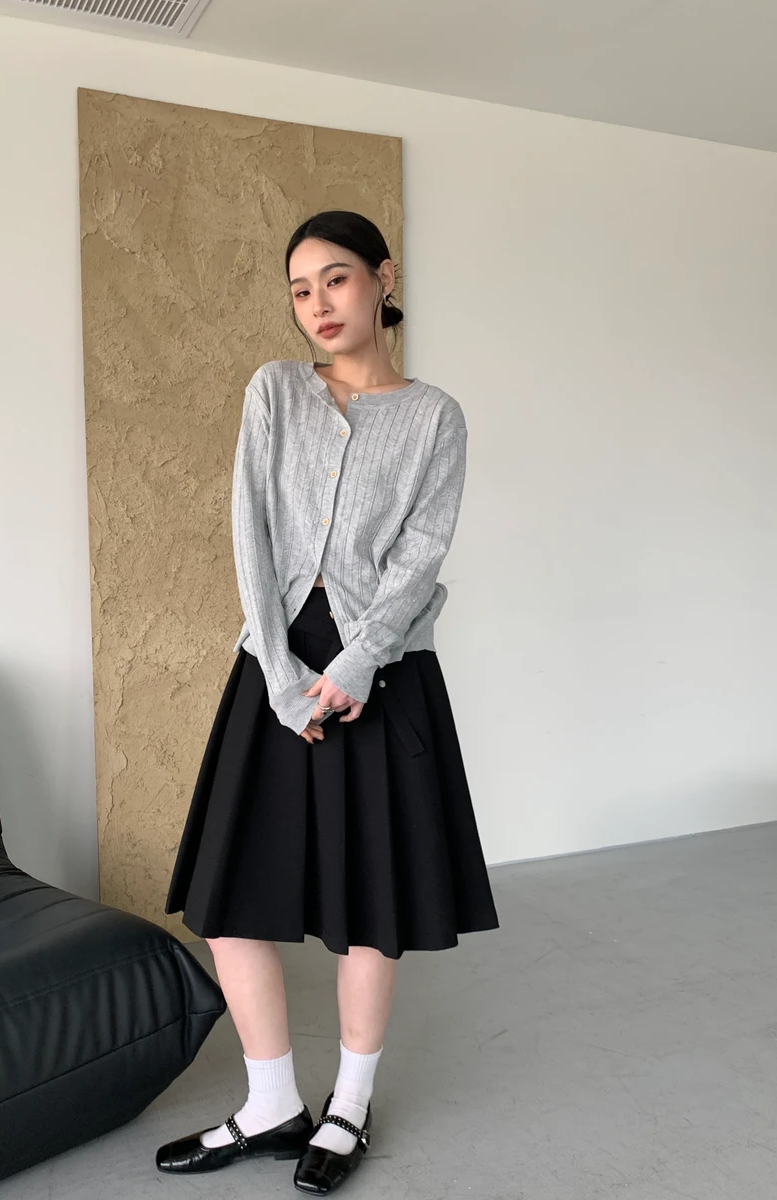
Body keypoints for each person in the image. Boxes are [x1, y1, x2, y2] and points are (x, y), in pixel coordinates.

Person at [157, 210, 499, 1194]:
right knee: (229, 899)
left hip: (382, 673)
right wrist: (279, 675)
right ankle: (271, 1104)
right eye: (301, 290)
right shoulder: (274, 390)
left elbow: (421, 555)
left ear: (383, 278)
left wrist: (356, 666)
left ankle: (349, 1105)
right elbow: (250, 534)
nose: (318, 305)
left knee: (370, 906)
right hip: (274, 665)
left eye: (337, 279)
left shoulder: (436, 417)